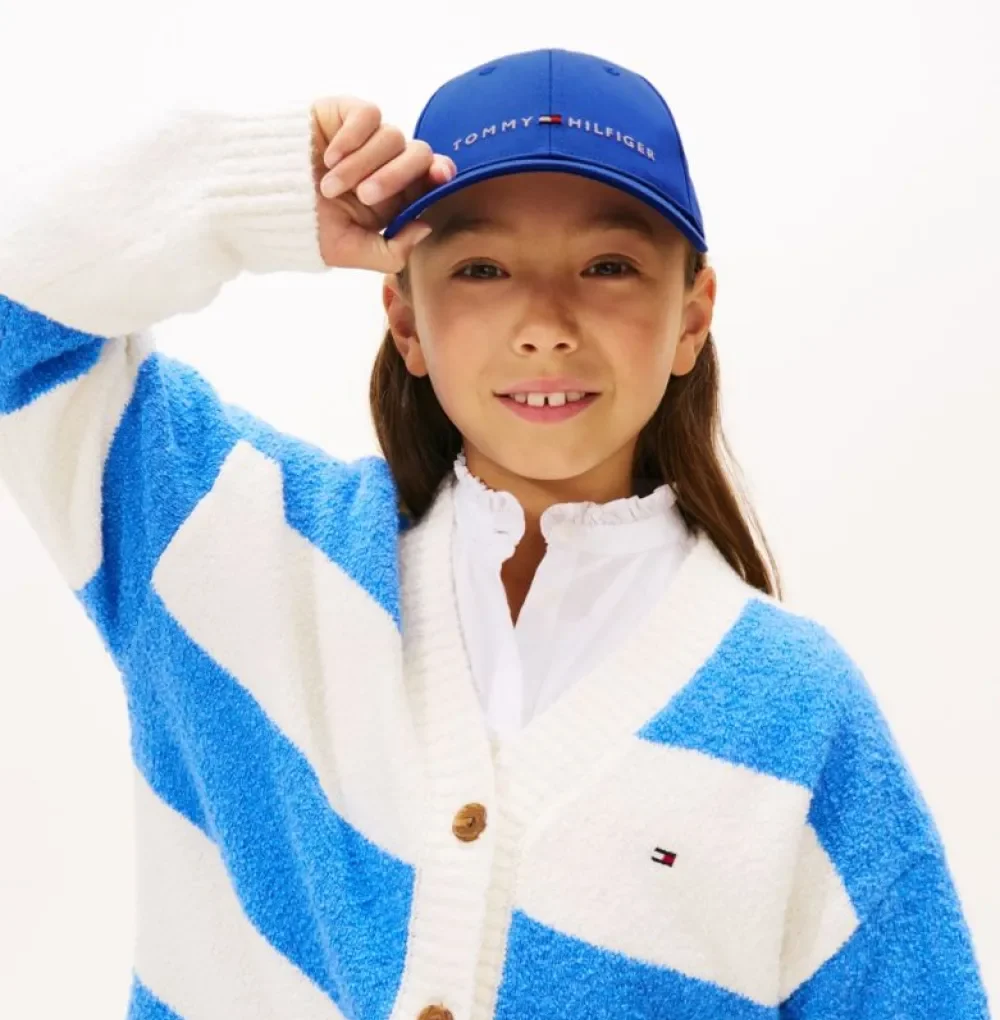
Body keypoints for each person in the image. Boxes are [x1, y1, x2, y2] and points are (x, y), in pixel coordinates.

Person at [0, 46, 990, 1020]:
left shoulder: (796, 710)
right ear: (405, 319)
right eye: (481, 267)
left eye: (608, 265)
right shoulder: (233, 537)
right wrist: (243, 186)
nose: (545, 323)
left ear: (692, 318)